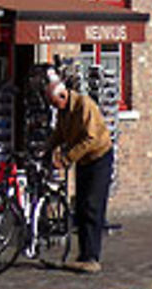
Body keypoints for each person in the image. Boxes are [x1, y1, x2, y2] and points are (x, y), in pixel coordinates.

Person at [44, 77, 113, 274]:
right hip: (83, 161)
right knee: (81, 206)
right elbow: (59, 133)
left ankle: (92, 257)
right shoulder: (63, 112)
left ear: (64, 95)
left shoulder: (84, 105)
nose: (54, 107)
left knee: (93, 205)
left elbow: (90, 139)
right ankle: (83, 255)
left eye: (55, 103)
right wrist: (47, 148)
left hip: (99, 158)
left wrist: (66, 159)